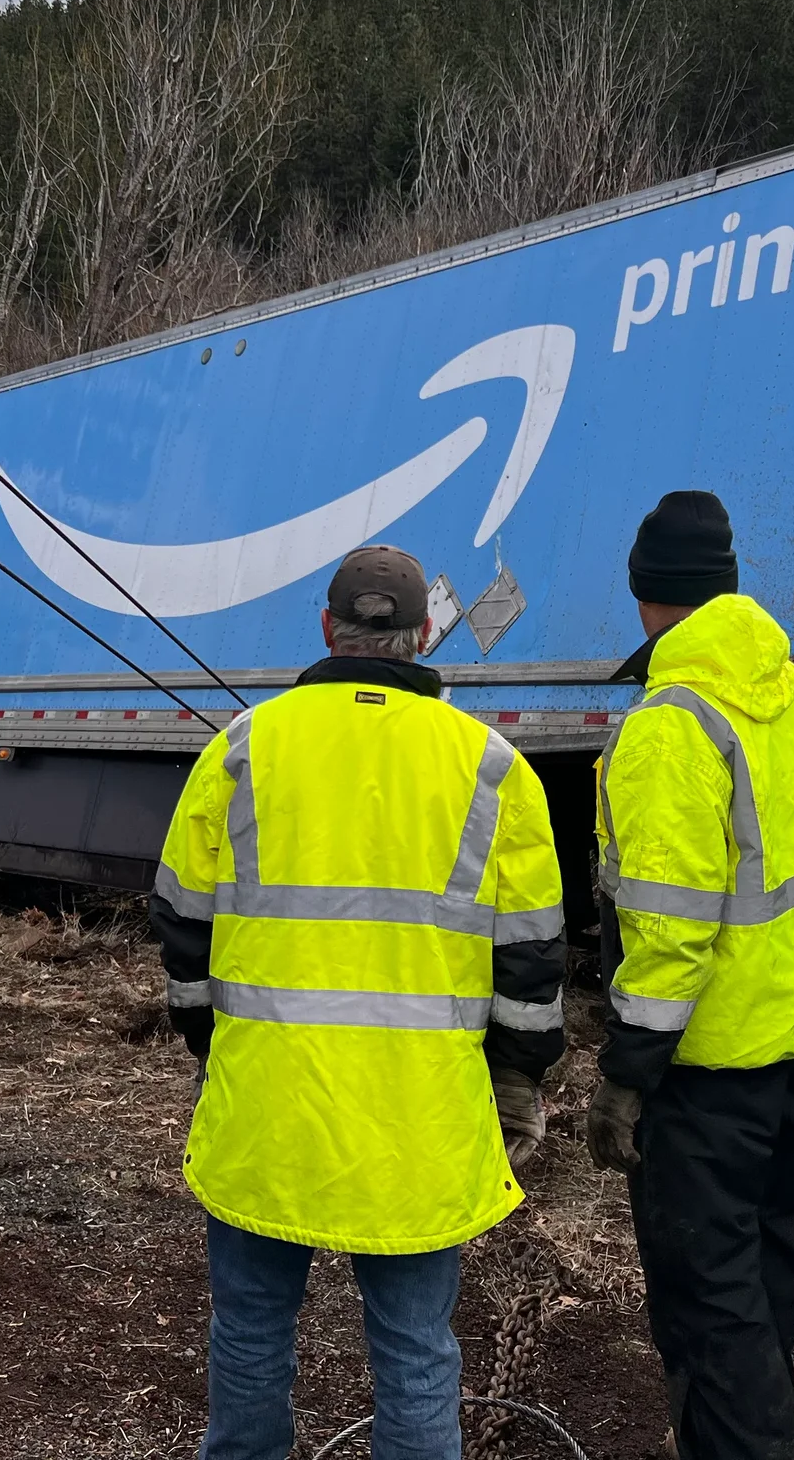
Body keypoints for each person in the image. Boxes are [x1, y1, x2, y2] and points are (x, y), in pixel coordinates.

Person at [151, 543, 567, 1460]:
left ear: (328, 628)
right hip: (418, 1123)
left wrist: (211, 1046)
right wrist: (517, 1087)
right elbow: (533, 965)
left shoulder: (243, 749)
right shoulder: (494, 768)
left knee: (252, 1336)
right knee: (418, 1355)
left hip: (270, 1110)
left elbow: (181, 927)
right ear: (423, 634)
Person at [585, 491, 794, 1460]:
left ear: (650, 601)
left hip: (703, 1084)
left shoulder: (667, 730)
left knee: (709, 1316)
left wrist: (624, 1077)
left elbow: (670, 939)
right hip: (791, 1071)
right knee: (763, 1288)